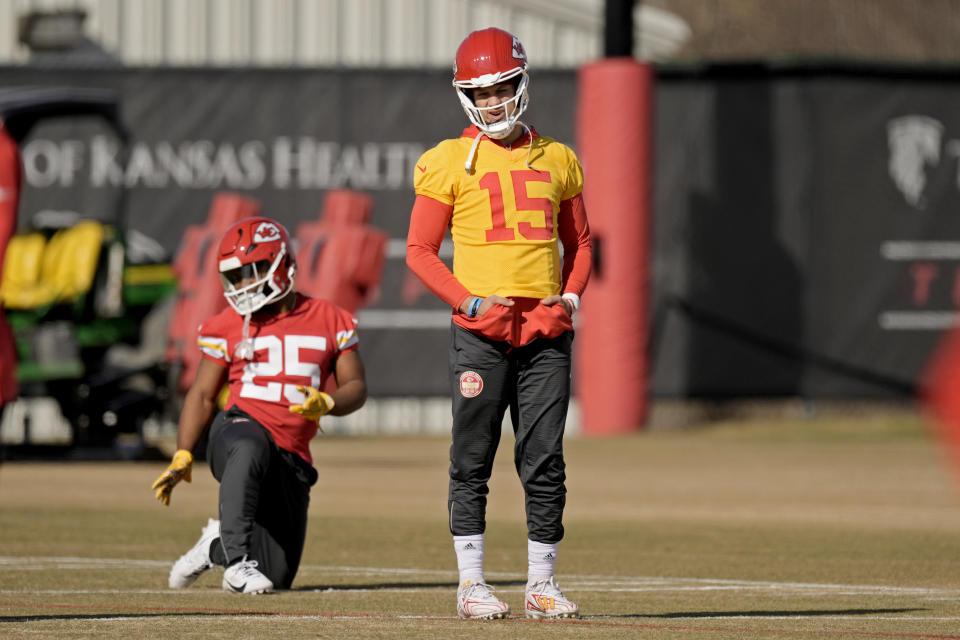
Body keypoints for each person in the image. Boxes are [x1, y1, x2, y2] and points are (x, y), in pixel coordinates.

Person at [406, 27, 591, 620]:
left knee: (545, 458)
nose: (494, 101)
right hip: (482, 333)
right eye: (481, 91)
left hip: (544, 333)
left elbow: (582, 243)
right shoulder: (445, 161)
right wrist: (468, 302)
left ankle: (541, 584)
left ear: (523, 82)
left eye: (504, 86)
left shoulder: (558, 157)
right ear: (465, 95)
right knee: (472, 457)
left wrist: (570, 298)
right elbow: (419, 250)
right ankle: (471, 584)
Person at [151, 216, 367, 594]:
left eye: (253, 272)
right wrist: (183, 452)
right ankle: (236, 564)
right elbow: (202, 394)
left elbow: (357, 386)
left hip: (292, 456)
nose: (244, 284)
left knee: (277, 575)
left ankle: (216, 546)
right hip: (237, 431)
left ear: (282, 265)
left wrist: (329, 401)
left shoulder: (330, 319)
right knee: (251, 445)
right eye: (236, 277)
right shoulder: (229, 323)